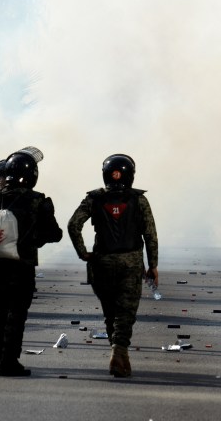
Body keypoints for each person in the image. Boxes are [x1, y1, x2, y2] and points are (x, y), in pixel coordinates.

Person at [67, 154, 158, 378]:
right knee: (125, 313)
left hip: (101, 263)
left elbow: (73, 225)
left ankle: (119, 355)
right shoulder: (139, 200)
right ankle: (119, 351)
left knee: (110, 313)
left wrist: (83, 253)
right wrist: (153, 265)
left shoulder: (93, 198)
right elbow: (150, 235)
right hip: (131, 262)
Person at [0, 150, 62, 377]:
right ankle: (9, 361)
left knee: (1, 310)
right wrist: (34, 238)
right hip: (23, 264)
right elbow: (54, 233)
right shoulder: (36, 200)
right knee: (17, 312)